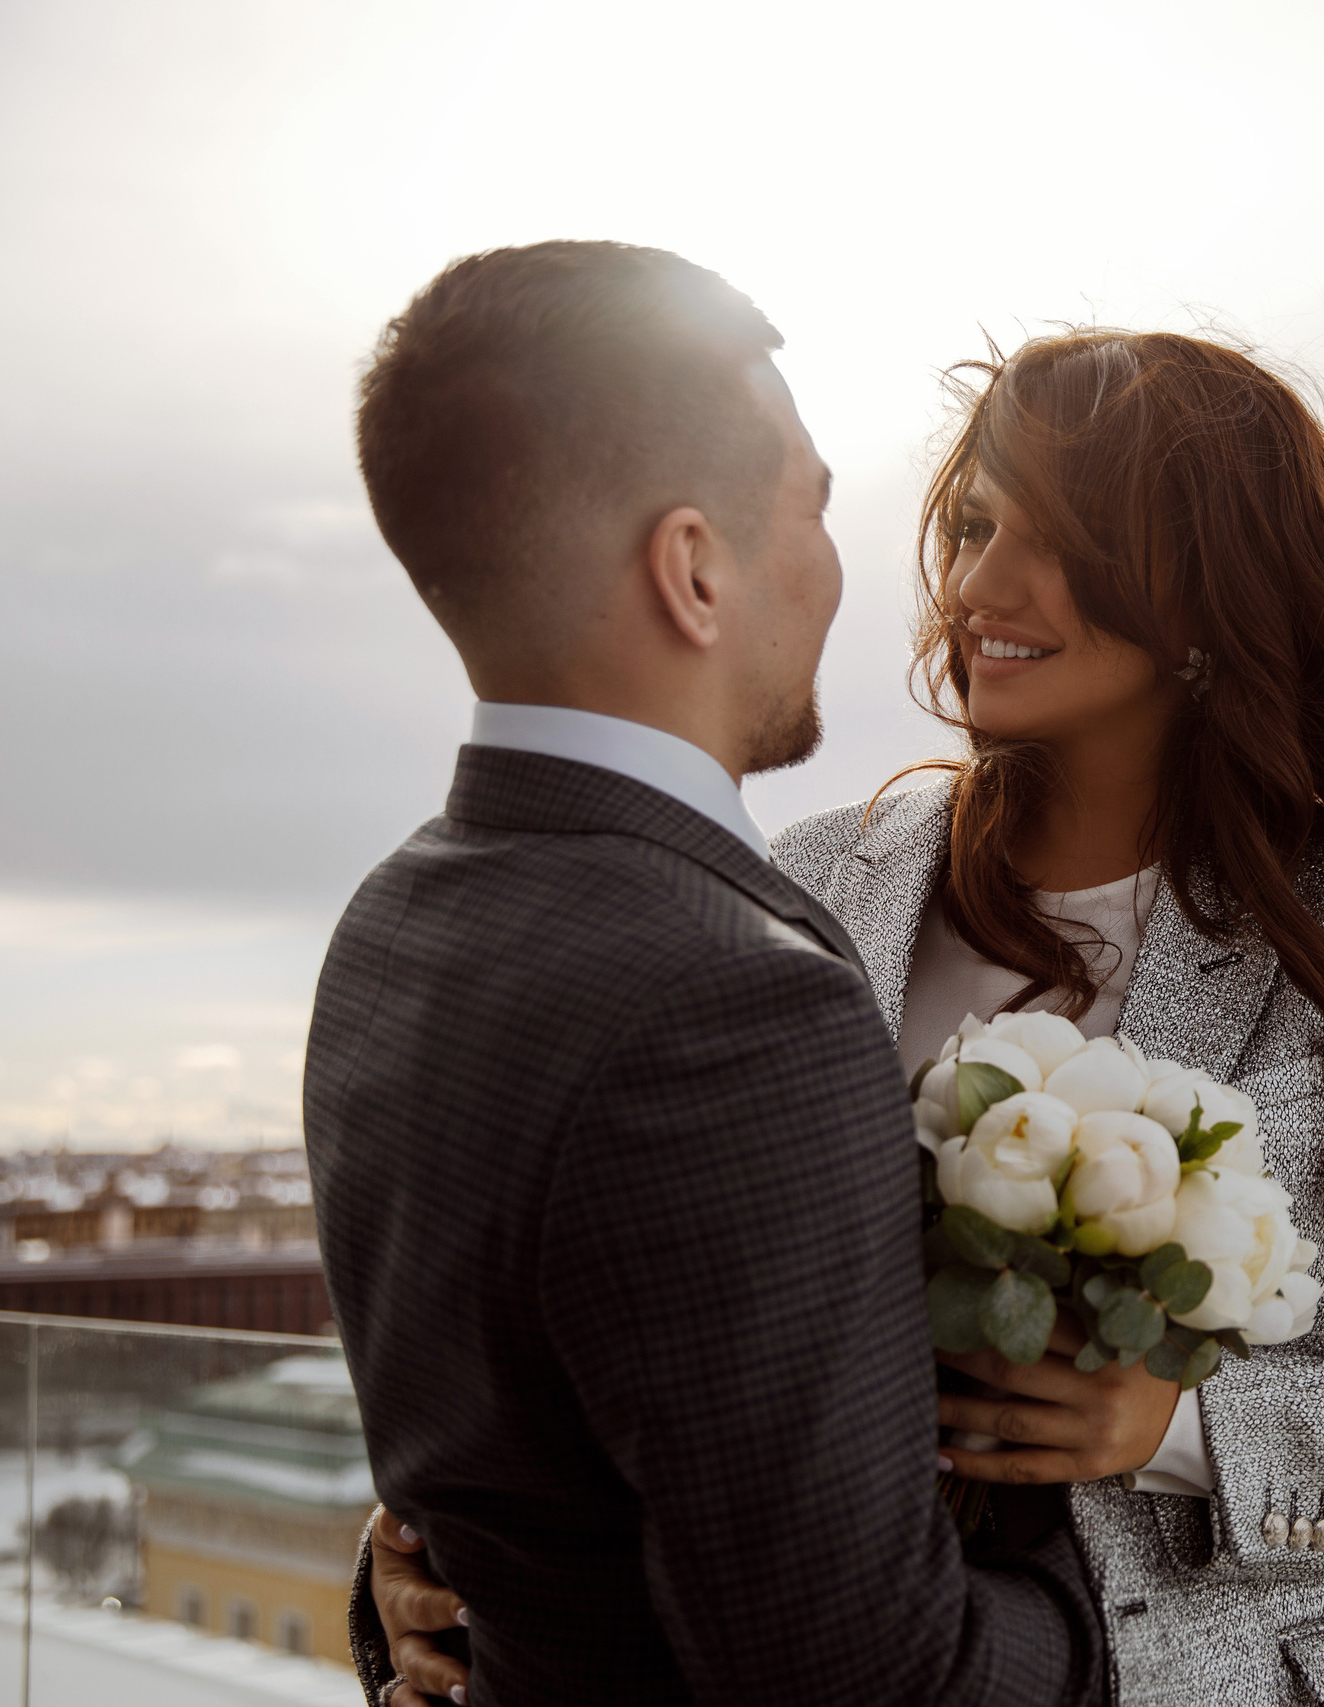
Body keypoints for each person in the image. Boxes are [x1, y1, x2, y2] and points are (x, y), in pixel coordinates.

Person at [370, 329, 1324, 1705]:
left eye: (1064, 540)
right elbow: (657, 1320)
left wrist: (1185, 1426)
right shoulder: (812, 877)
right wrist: (455, 1541)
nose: (978, 585)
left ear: (1210, 591)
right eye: (975, 526)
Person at [306, 242, 1108, 1707]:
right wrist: (1080, 1586)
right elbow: (866, 1678)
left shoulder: (391, 924)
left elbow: (519, 1481)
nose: (836, 561)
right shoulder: (734, 1003)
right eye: (808, 505)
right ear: (692, 569)